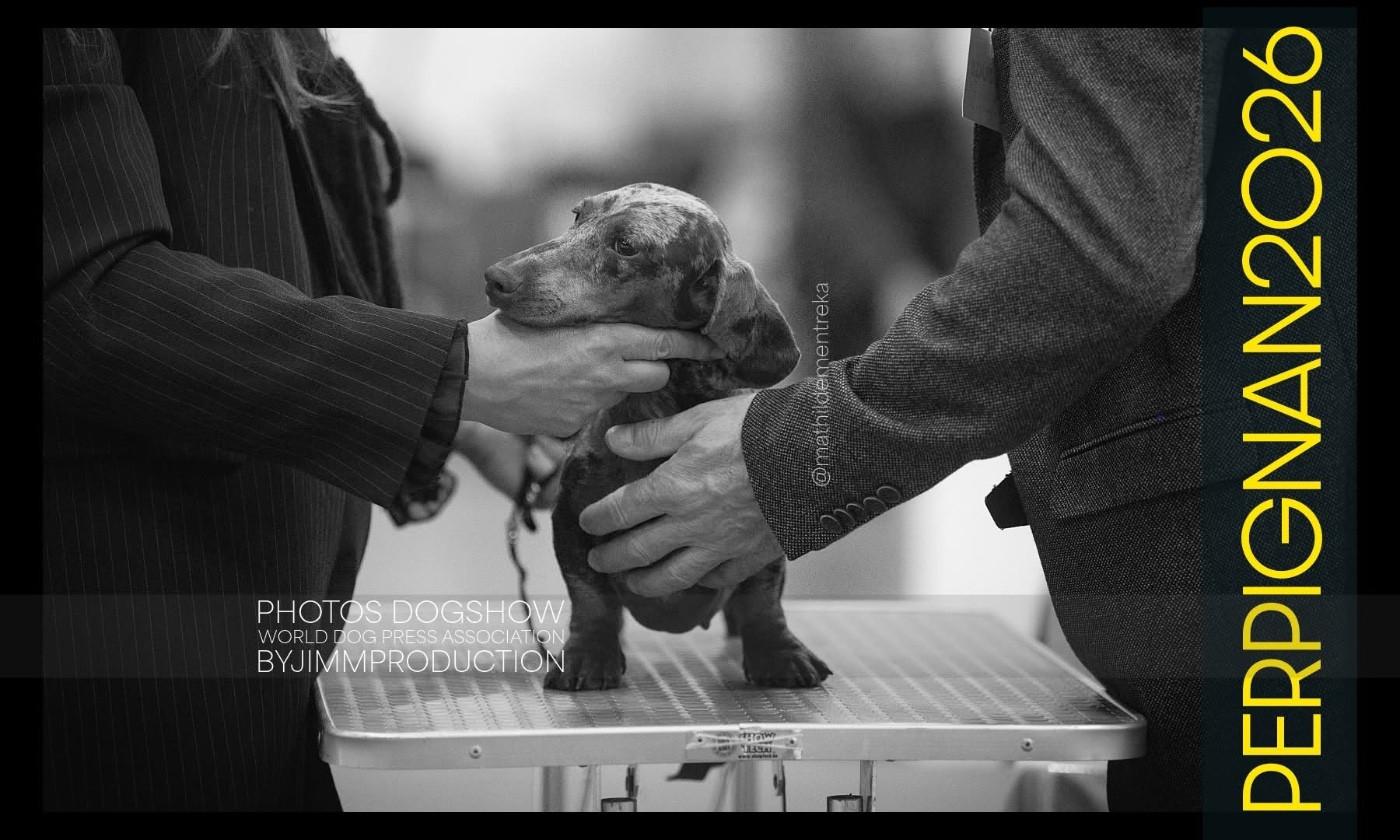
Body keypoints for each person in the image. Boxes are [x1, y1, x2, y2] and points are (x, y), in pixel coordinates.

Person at [42, 27, 721, 811]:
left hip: (263, 664)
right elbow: (77, 295)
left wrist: (448, 415)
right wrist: (448, 372)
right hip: (106, 665)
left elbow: (261, 232)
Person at [579, 28, 1222, 811]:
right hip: (858, 307)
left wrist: (794, 457)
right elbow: (839, 188)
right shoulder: (817, 88)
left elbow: (1090, 242)